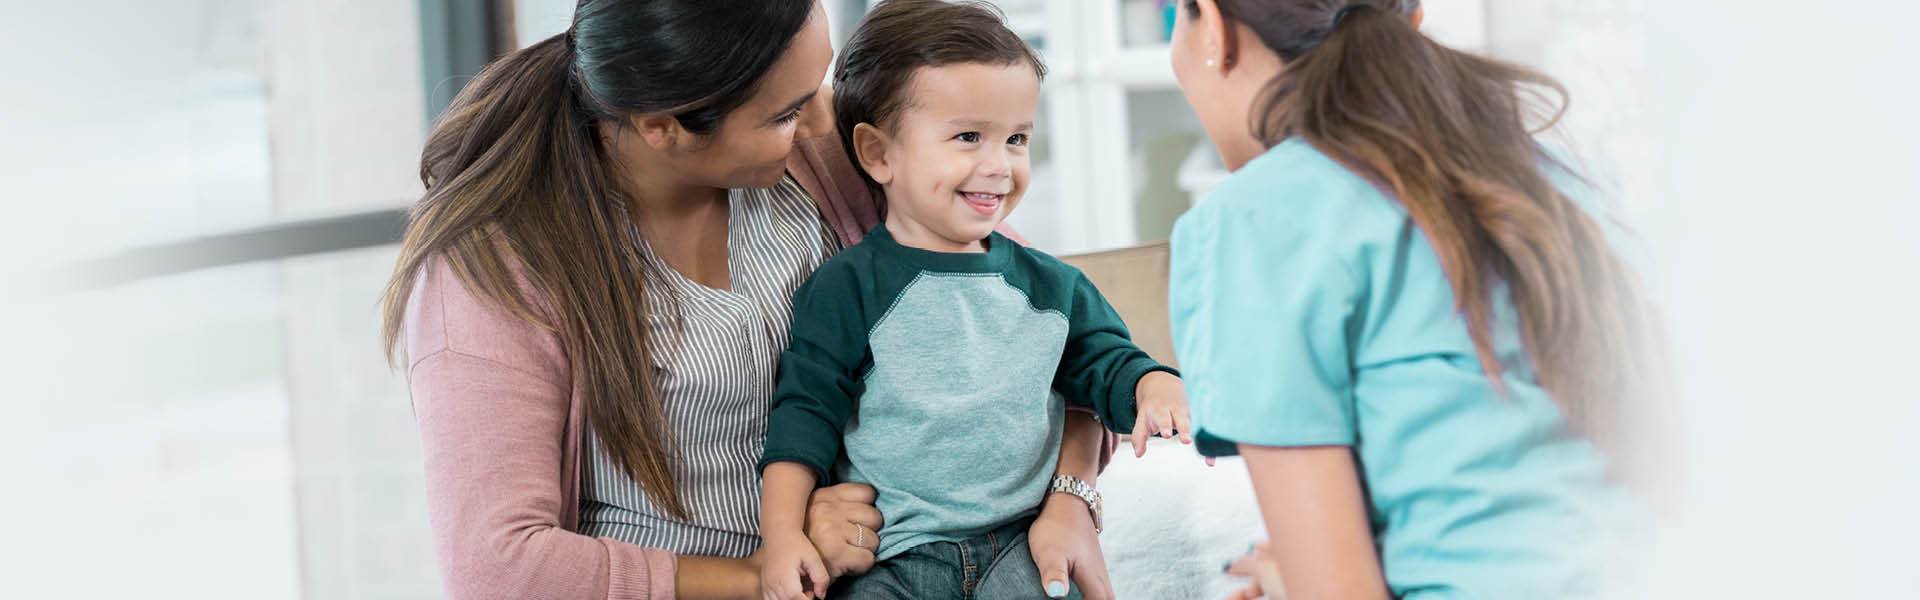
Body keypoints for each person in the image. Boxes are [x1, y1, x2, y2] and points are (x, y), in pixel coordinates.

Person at [378, 1, 1118, 598]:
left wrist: (1070, 497)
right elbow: (498, 569)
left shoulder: (827, 155)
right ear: (661, 127)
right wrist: (779, 566)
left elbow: (1054, 335)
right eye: (787, 113)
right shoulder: (493, 270)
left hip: (891, 561)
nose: (825, 122)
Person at [1165, 1, 1669, 599]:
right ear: (1415, 17)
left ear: (1215, 29)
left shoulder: (1253, 222)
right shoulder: (1552, 176)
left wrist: (1291, 581)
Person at [752, 2, 1194, 599]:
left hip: (1024, 542)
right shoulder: (846, 289)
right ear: (878, 154)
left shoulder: (1052, 286)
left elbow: (1106, 364)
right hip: (894, 557)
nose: (999, 166)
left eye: (1016, 138)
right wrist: (782, 537)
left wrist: (1152, 384)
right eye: (968, 137)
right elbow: (802, 419)